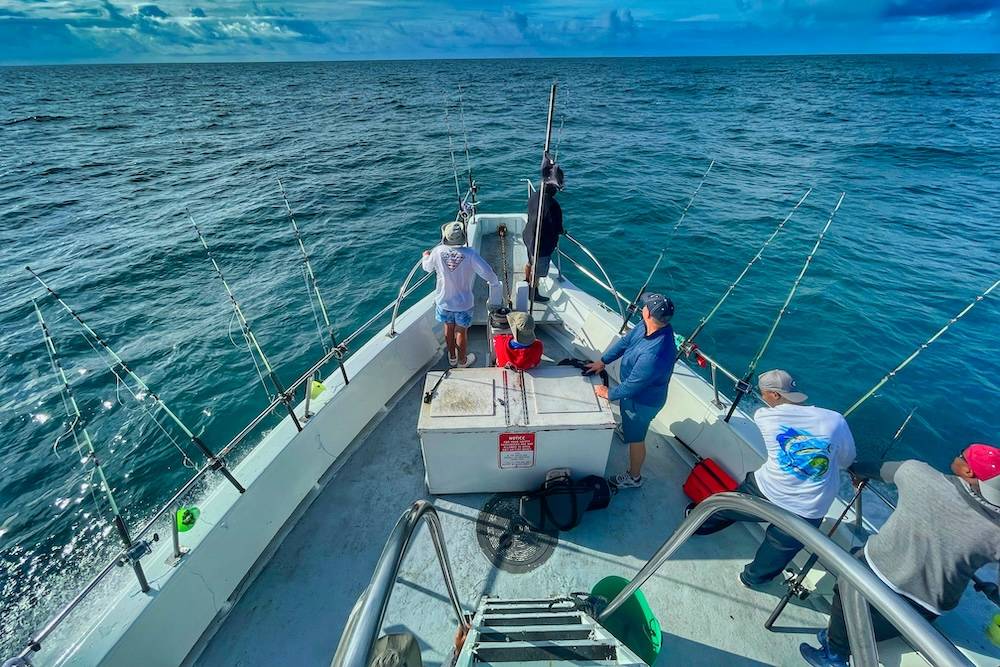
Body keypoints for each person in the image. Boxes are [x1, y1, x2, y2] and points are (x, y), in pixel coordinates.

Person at [800, 443, 1000, 667]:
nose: (956, 456)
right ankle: (839, 637)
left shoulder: (918, 473)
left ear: (968, 471)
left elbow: (872, 469)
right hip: (927, 608)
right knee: (882, 622)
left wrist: (857, 471)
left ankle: (835, 654)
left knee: (846, 589)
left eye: (960, 455)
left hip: (875, 572)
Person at [693, 369, 856, 590]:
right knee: (780, 548)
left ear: (775, 395)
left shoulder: (764, 416)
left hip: (768, 490)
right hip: (810, 507)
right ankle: (752, 579)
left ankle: (699, 525)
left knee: (726, 505)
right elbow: (847, 460)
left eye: (764, 394)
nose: (763, 398)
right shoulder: (836, 420)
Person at [585, 293, 676, 489]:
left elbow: (633, 386)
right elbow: (624, 343)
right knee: (629, 425)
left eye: (645, 306)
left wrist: (608, 394)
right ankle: (626, 428)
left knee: (637, 439)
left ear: (648, 313)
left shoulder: (655, 354)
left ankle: (634, 478)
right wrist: (603, 361)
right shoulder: (645, 326)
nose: (641, 307)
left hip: (642, 403)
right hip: (633, 396)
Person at [422, 221, 501, 368]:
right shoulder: (470, 254)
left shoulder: (438, 252)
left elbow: (427, 267)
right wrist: (495, 283)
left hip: (443, 301)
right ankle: (462, 361)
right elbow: (487, 272)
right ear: (463, 237)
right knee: (461, 332)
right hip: (463, 304)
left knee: (448, 328)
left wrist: (426, 256)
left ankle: (452, 357)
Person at [523, 152, 564, 303]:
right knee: (538, 272)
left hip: (528, 238)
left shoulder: (534, 196)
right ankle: (533, 293)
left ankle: (526, 280)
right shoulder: (553, 205)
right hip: (541, 245)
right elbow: (558, 228)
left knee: (529, 262)